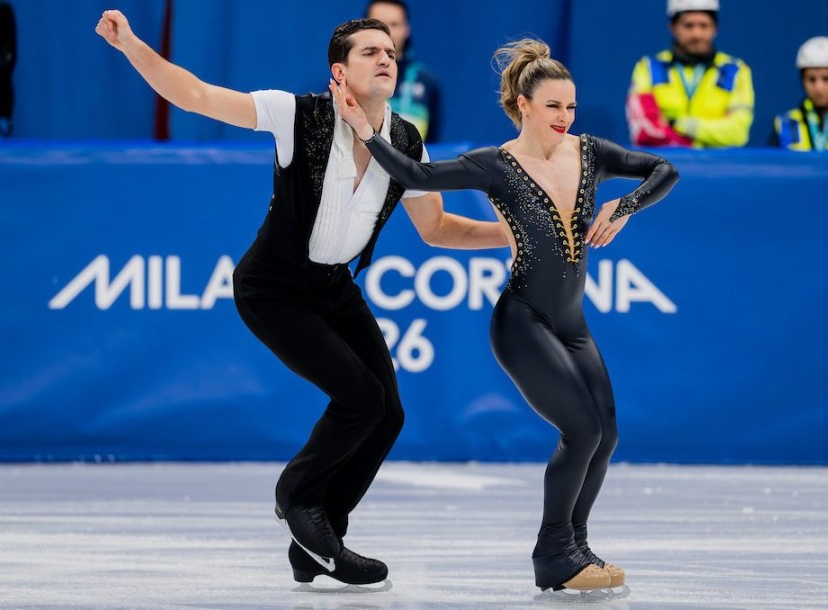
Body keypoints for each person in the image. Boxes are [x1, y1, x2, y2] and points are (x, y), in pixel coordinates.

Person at [94, 11, 506, 587]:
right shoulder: (300, 115)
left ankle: (318, 542)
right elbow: (193, 95)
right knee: (360, 399)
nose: (385, 58)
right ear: (340, 71)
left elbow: (438, 230)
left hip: (334, 287)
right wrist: (134, 45)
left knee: (388, 413)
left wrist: (513, 235)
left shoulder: (406, 139)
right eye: (369, 52)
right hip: (273, 288)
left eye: (388, 51)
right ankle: (296, 496)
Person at [330, 39, 679, 593]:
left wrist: (625, 206)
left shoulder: (591, 153)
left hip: (572, 324)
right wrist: (366, 132)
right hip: (522, 322)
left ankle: (575, 546)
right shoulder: (496, 164)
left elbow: (664, 168)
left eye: (571, 107)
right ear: (523, 104)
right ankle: (554, 555)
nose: (565, 118)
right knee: (581, 428)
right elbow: (418, 179)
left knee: (605, 434)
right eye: (553, 107)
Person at [626, 0, 753, 148]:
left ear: (715, 29)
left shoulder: (736, 70)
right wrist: (700, 139)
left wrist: (680, 125)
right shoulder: (648, 67)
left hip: (720, 167)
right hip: (663, 166)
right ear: (673, 28)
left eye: (704, 26)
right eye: (688, 26)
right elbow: (644, 130)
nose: (697, 34)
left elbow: (738, 133)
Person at [366, 0, 442, 142]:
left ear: (407, 29)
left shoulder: (427, 81)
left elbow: (432, 145)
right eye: (378, 23)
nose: (386, 31)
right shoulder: (349, 80)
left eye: (394, 24)